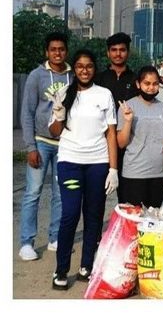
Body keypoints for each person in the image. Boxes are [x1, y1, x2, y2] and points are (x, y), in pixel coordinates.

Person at [49, 49, 118, 290]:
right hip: (70, 162)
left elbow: (110, 133)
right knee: (69, 214)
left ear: (94, 68)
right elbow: (55, 132)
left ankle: (86, 265)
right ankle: (61, 269)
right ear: (74, 68)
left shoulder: (104, 94)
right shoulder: (63, 93)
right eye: (79, 66)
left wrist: (113, 169)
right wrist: (58, 114)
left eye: (88, 66)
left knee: (93, 215)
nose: (84, 70)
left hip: (98, 164)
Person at [19, 32, 72, 261]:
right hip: (41, 142)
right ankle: (27, 242)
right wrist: (30, 146)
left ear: (66, 51)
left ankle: (55, 238)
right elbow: (27, 113)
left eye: (61, 49)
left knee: (61, 194)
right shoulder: (36, 76)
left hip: (66, 143)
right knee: (33, 192)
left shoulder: (73, 76)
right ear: (46, 52)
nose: (57, 53)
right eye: (53, 49)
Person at [117, 66, 163, 208]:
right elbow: (121, 143)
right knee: (134, 220)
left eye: (155, 84)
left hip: (159, 173)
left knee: (153, 220)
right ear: (138, 84)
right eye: (147, 83)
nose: (151, 88)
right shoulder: (127, 106)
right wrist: (128, 120)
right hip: (135, 173)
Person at [94, 32, 137, 205]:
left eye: (122, 50)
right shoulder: (98, 79)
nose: (118, 54)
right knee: (97, 197)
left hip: (126, 145)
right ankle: (95, 233)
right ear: (108, 53)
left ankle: (126, 231)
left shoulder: (136, 80)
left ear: (128, 52)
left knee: (126, 197)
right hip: (101, 145)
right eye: (114, 50)